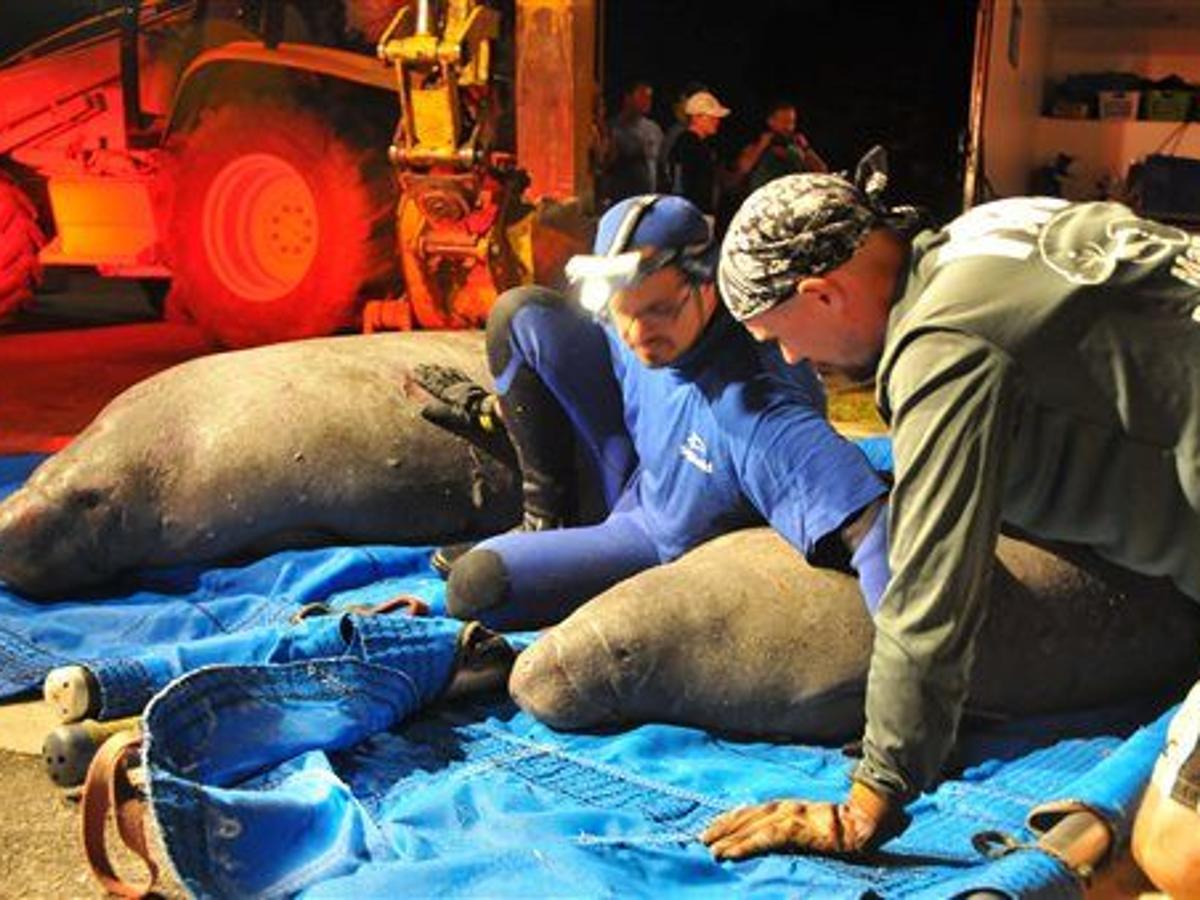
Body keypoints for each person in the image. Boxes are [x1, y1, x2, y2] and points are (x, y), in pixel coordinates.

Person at [703, 146, 1200, 894]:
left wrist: (871, 799)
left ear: (822, 294)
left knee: (1175, 853)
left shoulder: (942, 345)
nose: (796, 360)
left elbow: (931, 584)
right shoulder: (990, 229)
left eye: (779, 335)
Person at [414, 193, 890, 633]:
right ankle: (549, 520)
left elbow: (873, 530)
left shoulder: (753, 409)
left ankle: (570, 541)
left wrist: (916, 690)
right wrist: (497, 410)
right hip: (636, 471)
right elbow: (565, 339)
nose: (637, 332)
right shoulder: (642, 328)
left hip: (655, 535)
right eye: (622, 310)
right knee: (520, 312)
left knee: (476, 584)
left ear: (709, 288)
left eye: (660, 309)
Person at [735, 99, 828, 193]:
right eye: (783, 121)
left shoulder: (797, 147)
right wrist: (761, 146)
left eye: (791, 122)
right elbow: (742, 169)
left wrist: (806, 148)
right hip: (766, 200)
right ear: (770, 121)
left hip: (792, 198)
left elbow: (822, 172)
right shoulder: (757, 145)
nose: (788, 127)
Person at [664, 90, 731, 215]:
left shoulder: (699, 144)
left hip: (696, 212)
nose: (717, 122)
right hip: (691, 214)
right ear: (696, 117)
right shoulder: (687, 144)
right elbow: (679, 183)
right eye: (712, 117)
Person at [602, 80, 663, 205]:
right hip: (622, 200)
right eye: (642, 96)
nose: (647, 101)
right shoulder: (612, 128)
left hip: (648, 200)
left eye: (649, 97)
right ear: (628, 98)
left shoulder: (654, 129)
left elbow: (659, 164)